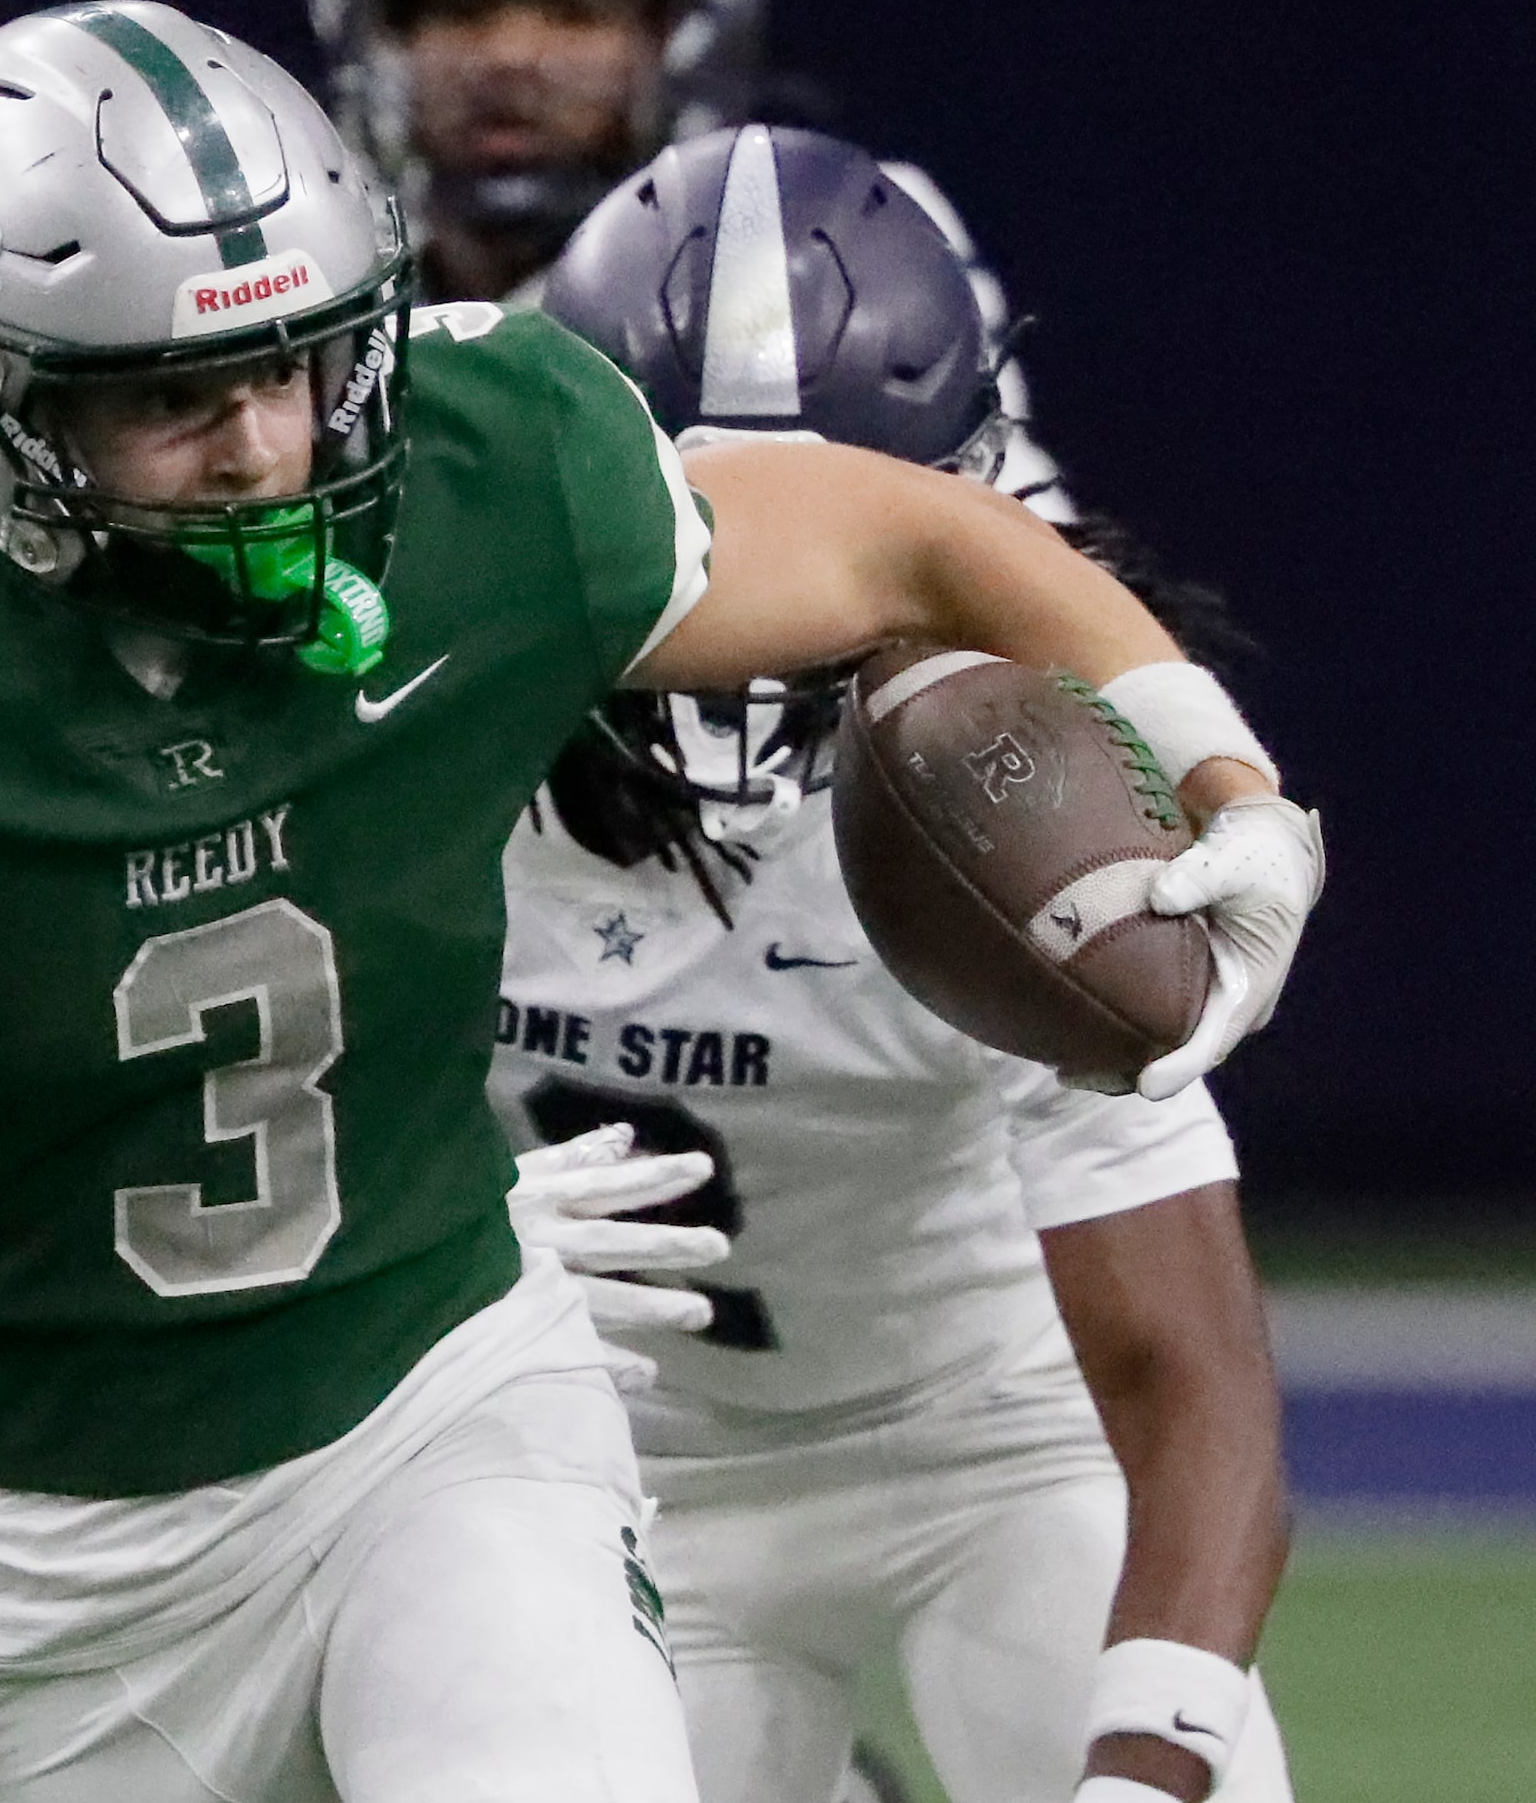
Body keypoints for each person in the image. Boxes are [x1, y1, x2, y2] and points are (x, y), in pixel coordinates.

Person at [0, 4, 1319, 1803]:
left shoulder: (483, 484)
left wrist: (1221, 773)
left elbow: (899, 530)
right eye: (173, 397)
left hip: (445, 1404)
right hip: (63, 1565)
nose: (264, 448)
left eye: (288, 363)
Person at [492, 125, 1309, 1803]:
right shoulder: (413, 721)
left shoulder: (1011, 793)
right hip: (605, 1473)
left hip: (989, 1443)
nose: (745, 591)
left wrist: (1142, 1773)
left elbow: (1189, 1381)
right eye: (686, 522)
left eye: (821, 521)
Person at [305, 0, 1073, 512]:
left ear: (678, 34)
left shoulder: (830, 235)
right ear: (382, 37)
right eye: (461, 12)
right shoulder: (300, 266)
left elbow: (1000, 535)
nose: (509, 54)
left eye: (575, 13)